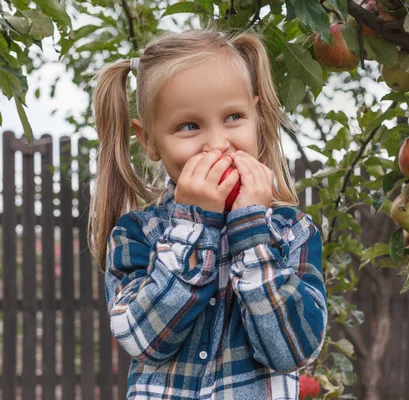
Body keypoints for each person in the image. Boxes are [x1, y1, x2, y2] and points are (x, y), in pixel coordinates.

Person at [88, 26, 327, 399]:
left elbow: (291, 351)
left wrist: (251, 233)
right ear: (149, 140)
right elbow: (144, 340)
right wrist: (192, 227)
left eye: (233, 117)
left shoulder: (293, 230)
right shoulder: (136, 233)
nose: (217, 144)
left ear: (258, 117)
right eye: (189, 126)